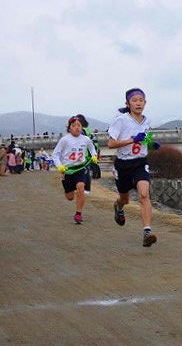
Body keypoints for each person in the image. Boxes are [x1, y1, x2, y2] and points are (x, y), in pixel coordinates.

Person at [107, 88, 160, 247]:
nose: (138, 103)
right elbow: (110, 144)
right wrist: (132, 140)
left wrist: (150, 144)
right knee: (125, 199)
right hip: (123, 164)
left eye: (141, 100)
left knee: (144, 194)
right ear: (128, 103)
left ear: (145, 102)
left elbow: (144, 140)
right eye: (134, 100)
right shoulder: (121, 120)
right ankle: (118, 206)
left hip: (140, 162)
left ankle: (147, 232)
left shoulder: (147, 121)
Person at [51, 116, 99, 224]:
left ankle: (78, 214)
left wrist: (94, 156)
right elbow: (55, 155)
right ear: (69, 128)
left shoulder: (86, 139)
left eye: (79, 125)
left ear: (82, 127)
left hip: (80, 168)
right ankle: (70, 190)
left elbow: (92, 148)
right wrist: (59, 166)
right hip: (67, 170)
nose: (77, 128)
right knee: (70, 197)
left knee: (81, 187)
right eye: (73, 126)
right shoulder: (64, 140)